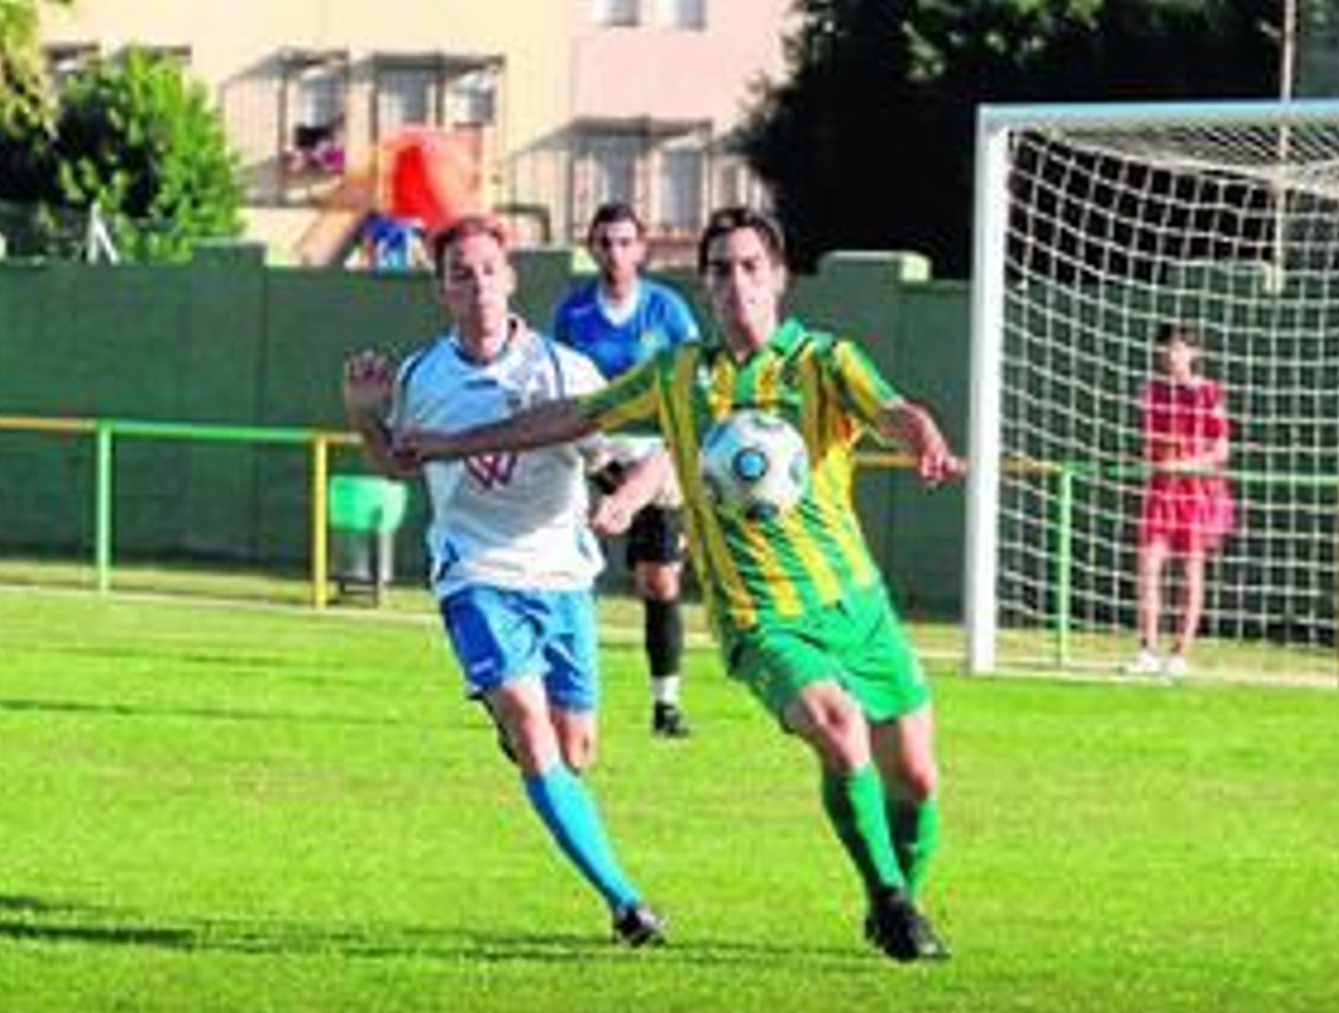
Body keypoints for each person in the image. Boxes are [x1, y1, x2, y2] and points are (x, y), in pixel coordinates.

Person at [389, 206, 964, 963]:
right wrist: (456, 444)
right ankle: (891, 902)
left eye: (750, 266)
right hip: (761, 615)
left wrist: (923, 438)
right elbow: (572, 416)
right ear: (705, 285)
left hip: (856, 604)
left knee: (917, 781)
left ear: (779, 277)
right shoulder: (680, 374)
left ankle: (894, 897)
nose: (736, 284)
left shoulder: (825, 362)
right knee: (837, 728)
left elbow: (892, 411)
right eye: (720, 270)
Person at [341, 213, 665, 947]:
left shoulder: (564, 371)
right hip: (475, 574)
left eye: (490, 269)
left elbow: (651, 456)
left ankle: (522, 732)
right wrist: (365, 417)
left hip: (562, 579)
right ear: (442, 289)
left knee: (573, 751)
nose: (479, 285)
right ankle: (626, 902)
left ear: (511, 278)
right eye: (462, 273)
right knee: (529, 726)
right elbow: (399, 462)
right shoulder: (423, 377)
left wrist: (623, 498)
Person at [552, 203, 701, 739]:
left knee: (658, 581)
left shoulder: (667, 310)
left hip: (655, 456)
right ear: (591, 249)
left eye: (624, 242)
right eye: (605, 242)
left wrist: (665, 454)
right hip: (593, 452)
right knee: (565, 571)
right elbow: (561, 387)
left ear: (641, 249)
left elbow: (691, 384)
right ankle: (558, 691)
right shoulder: (573, 314)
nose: (615, 253)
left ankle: (666, 703)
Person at [1127, 322, 1234, 680]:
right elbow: (1149, 443)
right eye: (1166, 348)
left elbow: (1221, 451)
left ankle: (1181, 653)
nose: (1170, 355)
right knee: (1148, 567)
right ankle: (1146, 650)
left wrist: (1183, 464)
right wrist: (1152, 460)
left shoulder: (1209, 393)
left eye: (1178, 348)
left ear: (1194, 353)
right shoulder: (1151, 391)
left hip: (1198, 492)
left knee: (1190, 571)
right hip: (1161, 490)